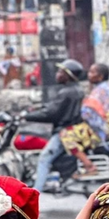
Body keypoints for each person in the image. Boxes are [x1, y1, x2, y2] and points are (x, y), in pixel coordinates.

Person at [28, 59, 87, 191]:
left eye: (61, 71)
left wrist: (27, 116)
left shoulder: (66, 92)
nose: (58, 74)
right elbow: (53, 106)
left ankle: (35, 193)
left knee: (44, 159)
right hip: (71, 129)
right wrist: (37, 108)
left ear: (69, 75)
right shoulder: (75, 90)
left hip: (64, 131)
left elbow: (51, 113)